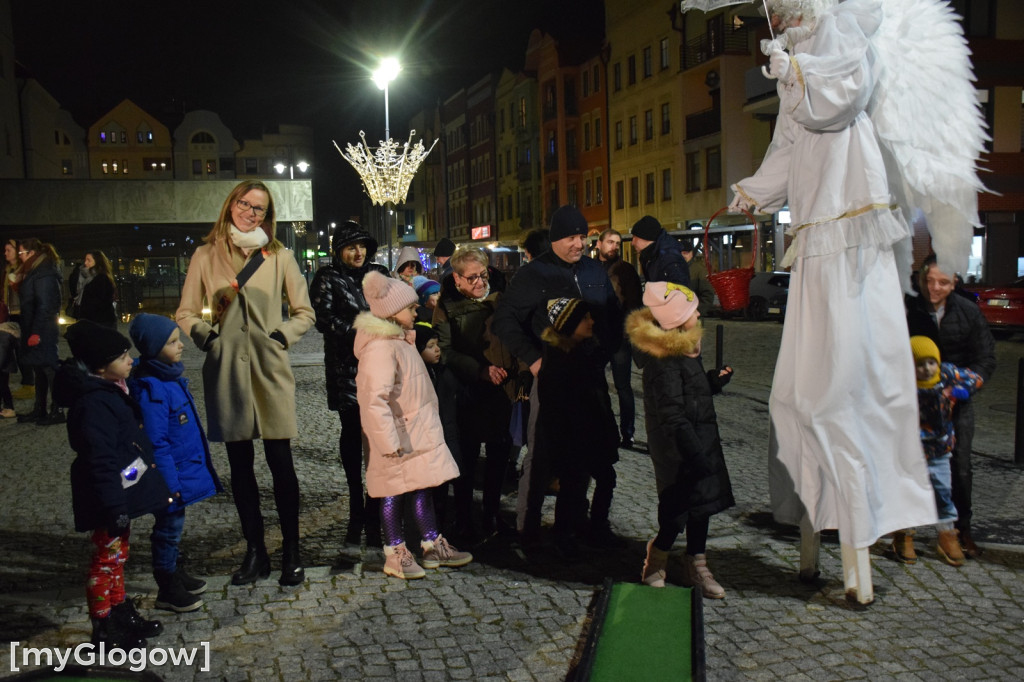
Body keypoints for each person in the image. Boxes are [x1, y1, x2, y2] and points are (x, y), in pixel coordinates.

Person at [729, 0, 937, 560]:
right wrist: (755, 190)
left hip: (850, 200)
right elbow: (790, 141)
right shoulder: (795, 55)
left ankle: (867, 512)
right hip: (816, 216)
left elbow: (838, 103)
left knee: (849, 359)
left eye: (781, 7)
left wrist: (793, 72)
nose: (776, 15)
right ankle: (813, 504)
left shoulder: (842, 31)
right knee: (804, 382)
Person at [176, 180, 315, 587]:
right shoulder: (205, 255)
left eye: (259, 209)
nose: (250, 213)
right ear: (231, 204)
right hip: (227, 371)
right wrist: (208, 338)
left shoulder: (280, 256)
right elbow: (185, 312)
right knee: (240, 468)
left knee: (281, 464)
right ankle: (256, 551)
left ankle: (291, 550)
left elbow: (304, 311)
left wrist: (281, 336)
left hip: (269, 369)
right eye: (245, 204)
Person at [492, 205, 621, 540]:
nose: (579, 243)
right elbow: (505, 320)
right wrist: (534, 360)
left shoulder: (594, 271)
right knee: (541, 456)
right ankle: (528, 528)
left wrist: (603, 354)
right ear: (555, 239)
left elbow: (612, 318)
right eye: (571, 237)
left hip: (589, 377)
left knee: (586, 453)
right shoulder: (534, 274)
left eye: (583, 236)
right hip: (550, 378)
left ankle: (575, 526)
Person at [54, 320, 172, 650]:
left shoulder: (110, 390)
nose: (130, 360)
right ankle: (103, 624)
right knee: (105, 561)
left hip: (119, 494)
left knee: (117, 558)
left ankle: (119, 612)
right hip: (108, 498)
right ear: (102, 366)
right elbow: (101, 462)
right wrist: (115, 506)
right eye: (123, 357)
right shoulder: (94, 403)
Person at [352, 270, 472, 579]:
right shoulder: (380, 347)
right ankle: (395, 552)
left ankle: (431, 544)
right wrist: (387, 442)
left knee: (422, 489)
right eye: (411, 307)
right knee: (393, 493)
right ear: (393, 312)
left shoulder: (400, 340)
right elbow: (373, 399)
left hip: (415, 433)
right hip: (396, 438)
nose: (417, 310)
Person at [627, 282, 735, 598]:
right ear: (675, 320)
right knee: (677, 512)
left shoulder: (686, 347)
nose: (698, 314)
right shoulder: (663, 359)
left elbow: (690, 393)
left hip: (698, 438)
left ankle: (696, 563)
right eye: (691, 311)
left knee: (702, 507)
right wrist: (694, 453)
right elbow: (671, 413)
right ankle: (656, 557)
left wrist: (712, 382)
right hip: (680, 447)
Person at [128, 313, 223, 612]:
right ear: (154, 349)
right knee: (168, 528)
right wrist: (170, 483)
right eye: (172, 342)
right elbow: (156, 444)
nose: (181, 346)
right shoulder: (153, 389)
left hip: (179, 472)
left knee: (175, 526)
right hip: (170, 477)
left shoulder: (169, 377)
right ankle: (166, 585)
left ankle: (175, 571)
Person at [906, 256, 996, 557]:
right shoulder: (910, 308)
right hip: (913, 403)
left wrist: (966, 387)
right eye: (929, 281)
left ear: (955, 282)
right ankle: (904, 530)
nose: (934, 288)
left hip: (955, 401)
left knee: (959, 466)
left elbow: (985, 359)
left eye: (943, 282)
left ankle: (959, 529)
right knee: (909, 464)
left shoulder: (968, 312)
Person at [308, 221, 390, 547]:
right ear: (339, 250)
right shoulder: (328, 278)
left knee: (379, 441)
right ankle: (357, 503)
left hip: (380, 367)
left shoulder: (380, 273)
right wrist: (363, 329)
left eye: (362, 246)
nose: (358, 253)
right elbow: (325, 320)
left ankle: (375, 508)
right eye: (351, 247)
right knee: (354, 435)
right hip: (348, 369)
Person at [432, 247, 521, 539]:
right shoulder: (447, 303)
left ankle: (492, 516)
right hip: (467, 389)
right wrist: (479, 370)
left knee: (499, 455)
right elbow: (445, 351)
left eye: (483, 275)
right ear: (456, 278)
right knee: (466, 459)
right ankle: (464, 518)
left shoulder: (502, 297)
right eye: (472, 278)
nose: (479, 282)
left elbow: (515, 334)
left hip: (502, 389)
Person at [891, 336, 983, 568]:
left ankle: (946, 534)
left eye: (931, 362)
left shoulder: (946, 374)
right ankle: (904, 535)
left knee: (942, 491)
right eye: (920, 364)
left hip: (940, 449)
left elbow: (975, 378)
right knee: (909, 493)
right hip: (910, 451)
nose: (926, 368)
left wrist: (963, 390)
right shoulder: (903, 382)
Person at [538, 297, 621, 550]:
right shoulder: (558, 361)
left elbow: (599, 397)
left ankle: (596, 527)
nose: (591, 322)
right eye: (584, 318)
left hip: (594, 432)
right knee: (572, 486)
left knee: (605, 478)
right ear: (569, 324)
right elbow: (557, 408)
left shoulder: (588, 351)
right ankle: (564, 536)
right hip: (573, 437)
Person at [596, 229, 643, 449]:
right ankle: (602, 428)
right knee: (595, 384)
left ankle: (628, 433)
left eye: (618, 243)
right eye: (610, 242)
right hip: (596, 336)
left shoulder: (625, 270)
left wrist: (627, 331)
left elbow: (634, 305)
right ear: (599, 244)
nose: (614, 246)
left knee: (623, 387)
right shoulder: (590, 268)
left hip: (619, 338)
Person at [14, 238, 65, 425]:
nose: (19, 257)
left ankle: (57, 409)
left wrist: (36, 331)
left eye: (21, 253)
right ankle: (40, 409)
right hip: (36, 325)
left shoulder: (44, 273)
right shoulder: (36, 270)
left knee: (49, 368)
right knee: (39, 367)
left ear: (31, 253)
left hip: (42, 327)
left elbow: (44, 304)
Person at [3, 239, 32, 401]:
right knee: (15, 349)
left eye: (9, 250)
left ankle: (29, 383)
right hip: (11, 312)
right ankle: (26, 382)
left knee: (22, 350)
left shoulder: (23, 269)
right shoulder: (8, 269)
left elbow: (23, 290)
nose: (6, 253)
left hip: (21, 312)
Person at [629, 215, 690, 286]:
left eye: (635, 237)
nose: (632, 243)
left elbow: (680, 291)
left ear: (645, 237)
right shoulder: (650, 256)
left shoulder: (669, 258)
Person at [69, 250, 118, 328]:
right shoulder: (83, 277)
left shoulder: (102, 278)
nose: (85, 263)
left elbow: (102, 302)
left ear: (97, 262)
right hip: (89, 321)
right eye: (85, 260)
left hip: (100, 322)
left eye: (89, 260)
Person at [679, 240, 716, 315]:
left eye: (685, 253)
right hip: (673, 316)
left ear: (691, 254)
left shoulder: (700, 270)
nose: (682, 256)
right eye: (679, 253)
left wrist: (697, 312)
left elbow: (707, 295)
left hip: (692, 316)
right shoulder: (671, 269)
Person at [0, 299, 18, 418]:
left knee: (2, 385)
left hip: (3, 365)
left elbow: (2, 353)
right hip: (3, 364)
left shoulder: (4, 333)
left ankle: (9, 407)